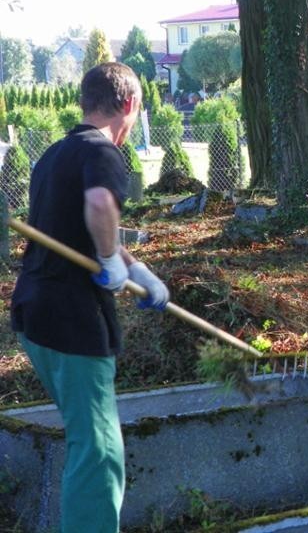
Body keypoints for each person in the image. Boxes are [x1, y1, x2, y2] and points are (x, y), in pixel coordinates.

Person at [11, 62, 170, 532]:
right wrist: (109, 258)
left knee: (87, 439)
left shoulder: (55, 155)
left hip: (34, 315)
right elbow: (100, 205)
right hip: (71, 322)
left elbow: (80, 221)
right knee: (99, 448)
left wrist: (137, 268)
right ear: (129, 104)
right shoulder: (103, 152)